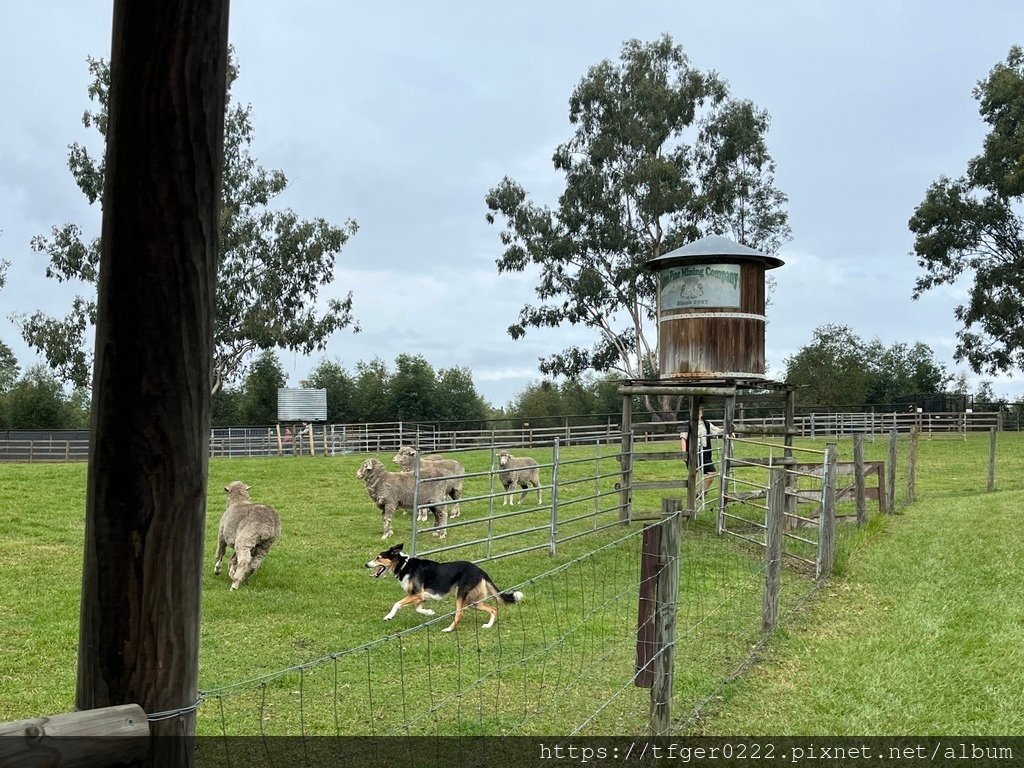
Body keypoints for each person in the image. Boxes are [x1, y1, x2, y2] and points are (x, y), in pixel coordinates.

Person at [697, 405, 724, 491]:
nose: (697, 414)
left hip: (704, 450)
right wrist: (684, 454)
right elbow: (683, 438)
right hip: (694, 451)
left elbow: (717, 430)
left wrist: (728, 431)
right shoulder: (688, 424)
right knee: (694, 473)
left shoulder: (706, 423)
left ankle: (700, 492)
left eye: (699, 413)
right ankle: (697, 494)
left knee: (712, 473)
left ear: (702, 414)